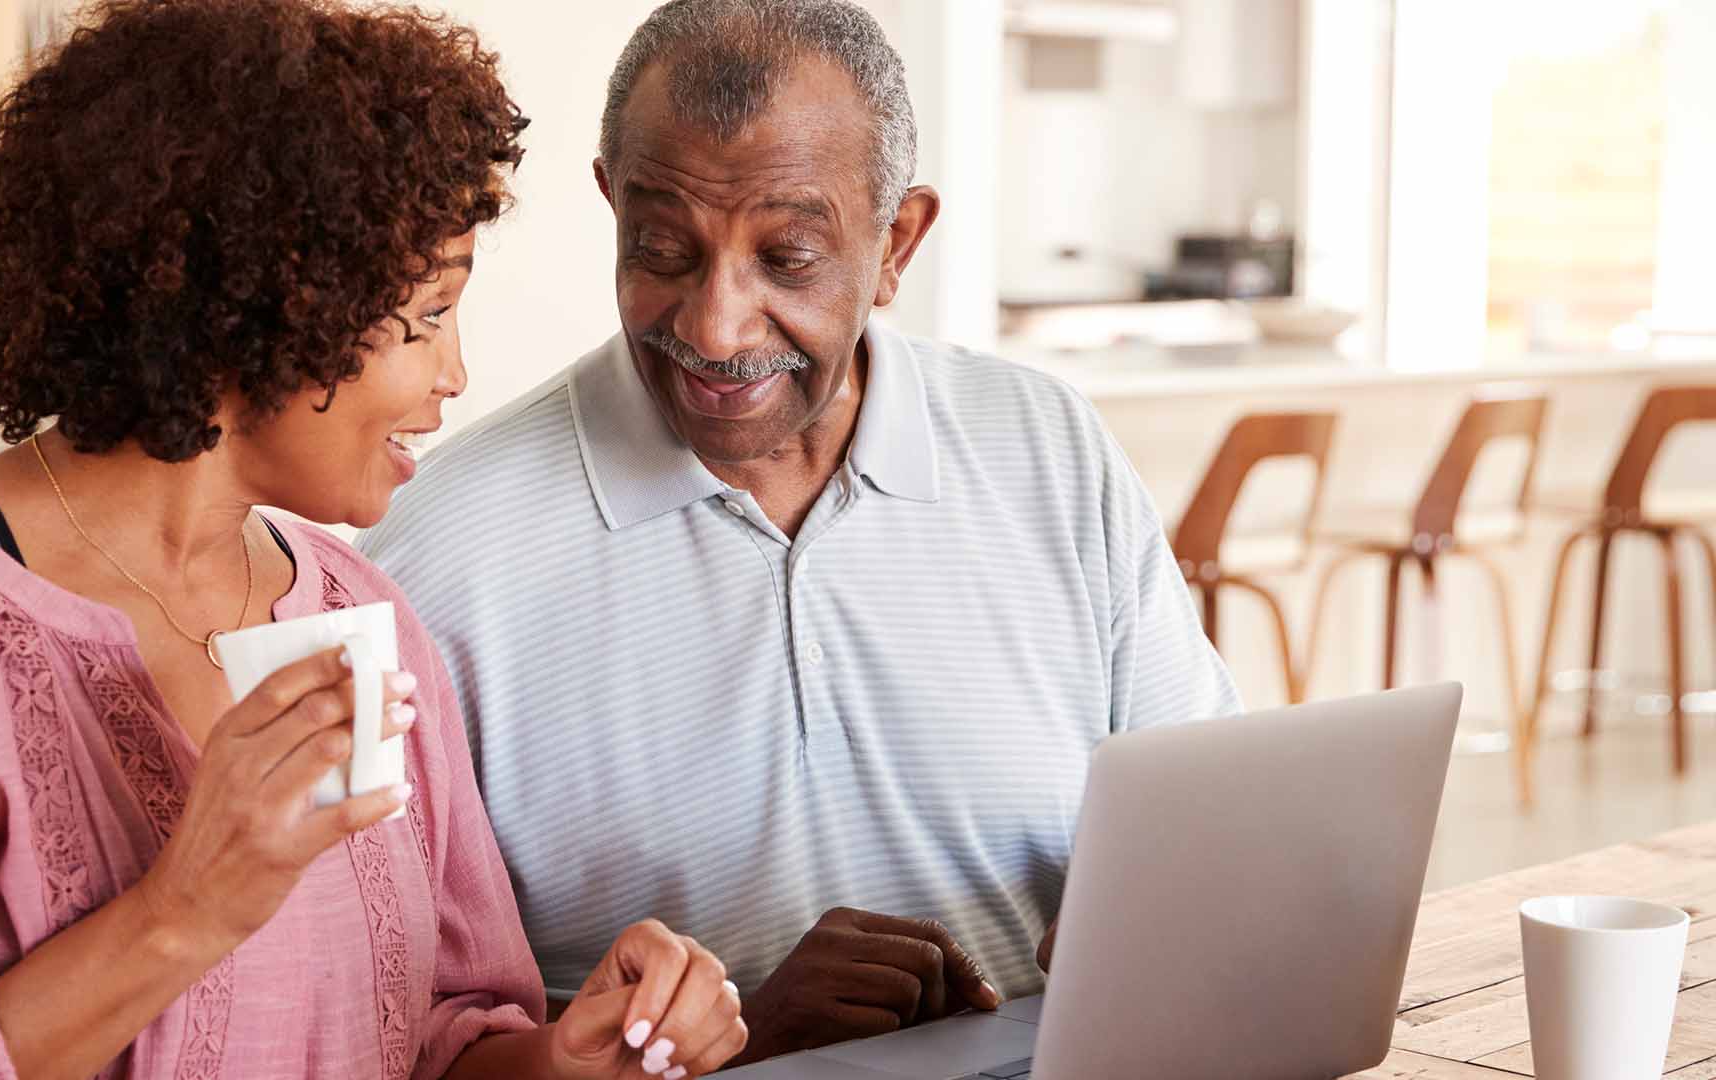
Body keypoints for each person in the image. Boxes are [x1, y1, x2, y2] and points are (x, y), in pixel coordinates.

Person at [0, 2, 744, 1077]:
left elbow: (429, 1034)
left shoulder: (356, 612)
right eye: (429, 315)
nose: (454, 374)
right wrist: (183, 913)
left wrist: (567, 1060)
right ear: (263, 307)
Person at [358, 0, 1240, 1065]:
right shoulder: (435, 557)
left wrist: (1143, 928)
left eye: (789, 258)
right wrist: (740, 1044)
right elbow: (389, 1036)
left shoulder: (1049, 449)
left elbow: (1210, 824)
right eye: (663, 250)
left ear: (896, 243)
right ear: (612, 205)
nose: (717, 328)